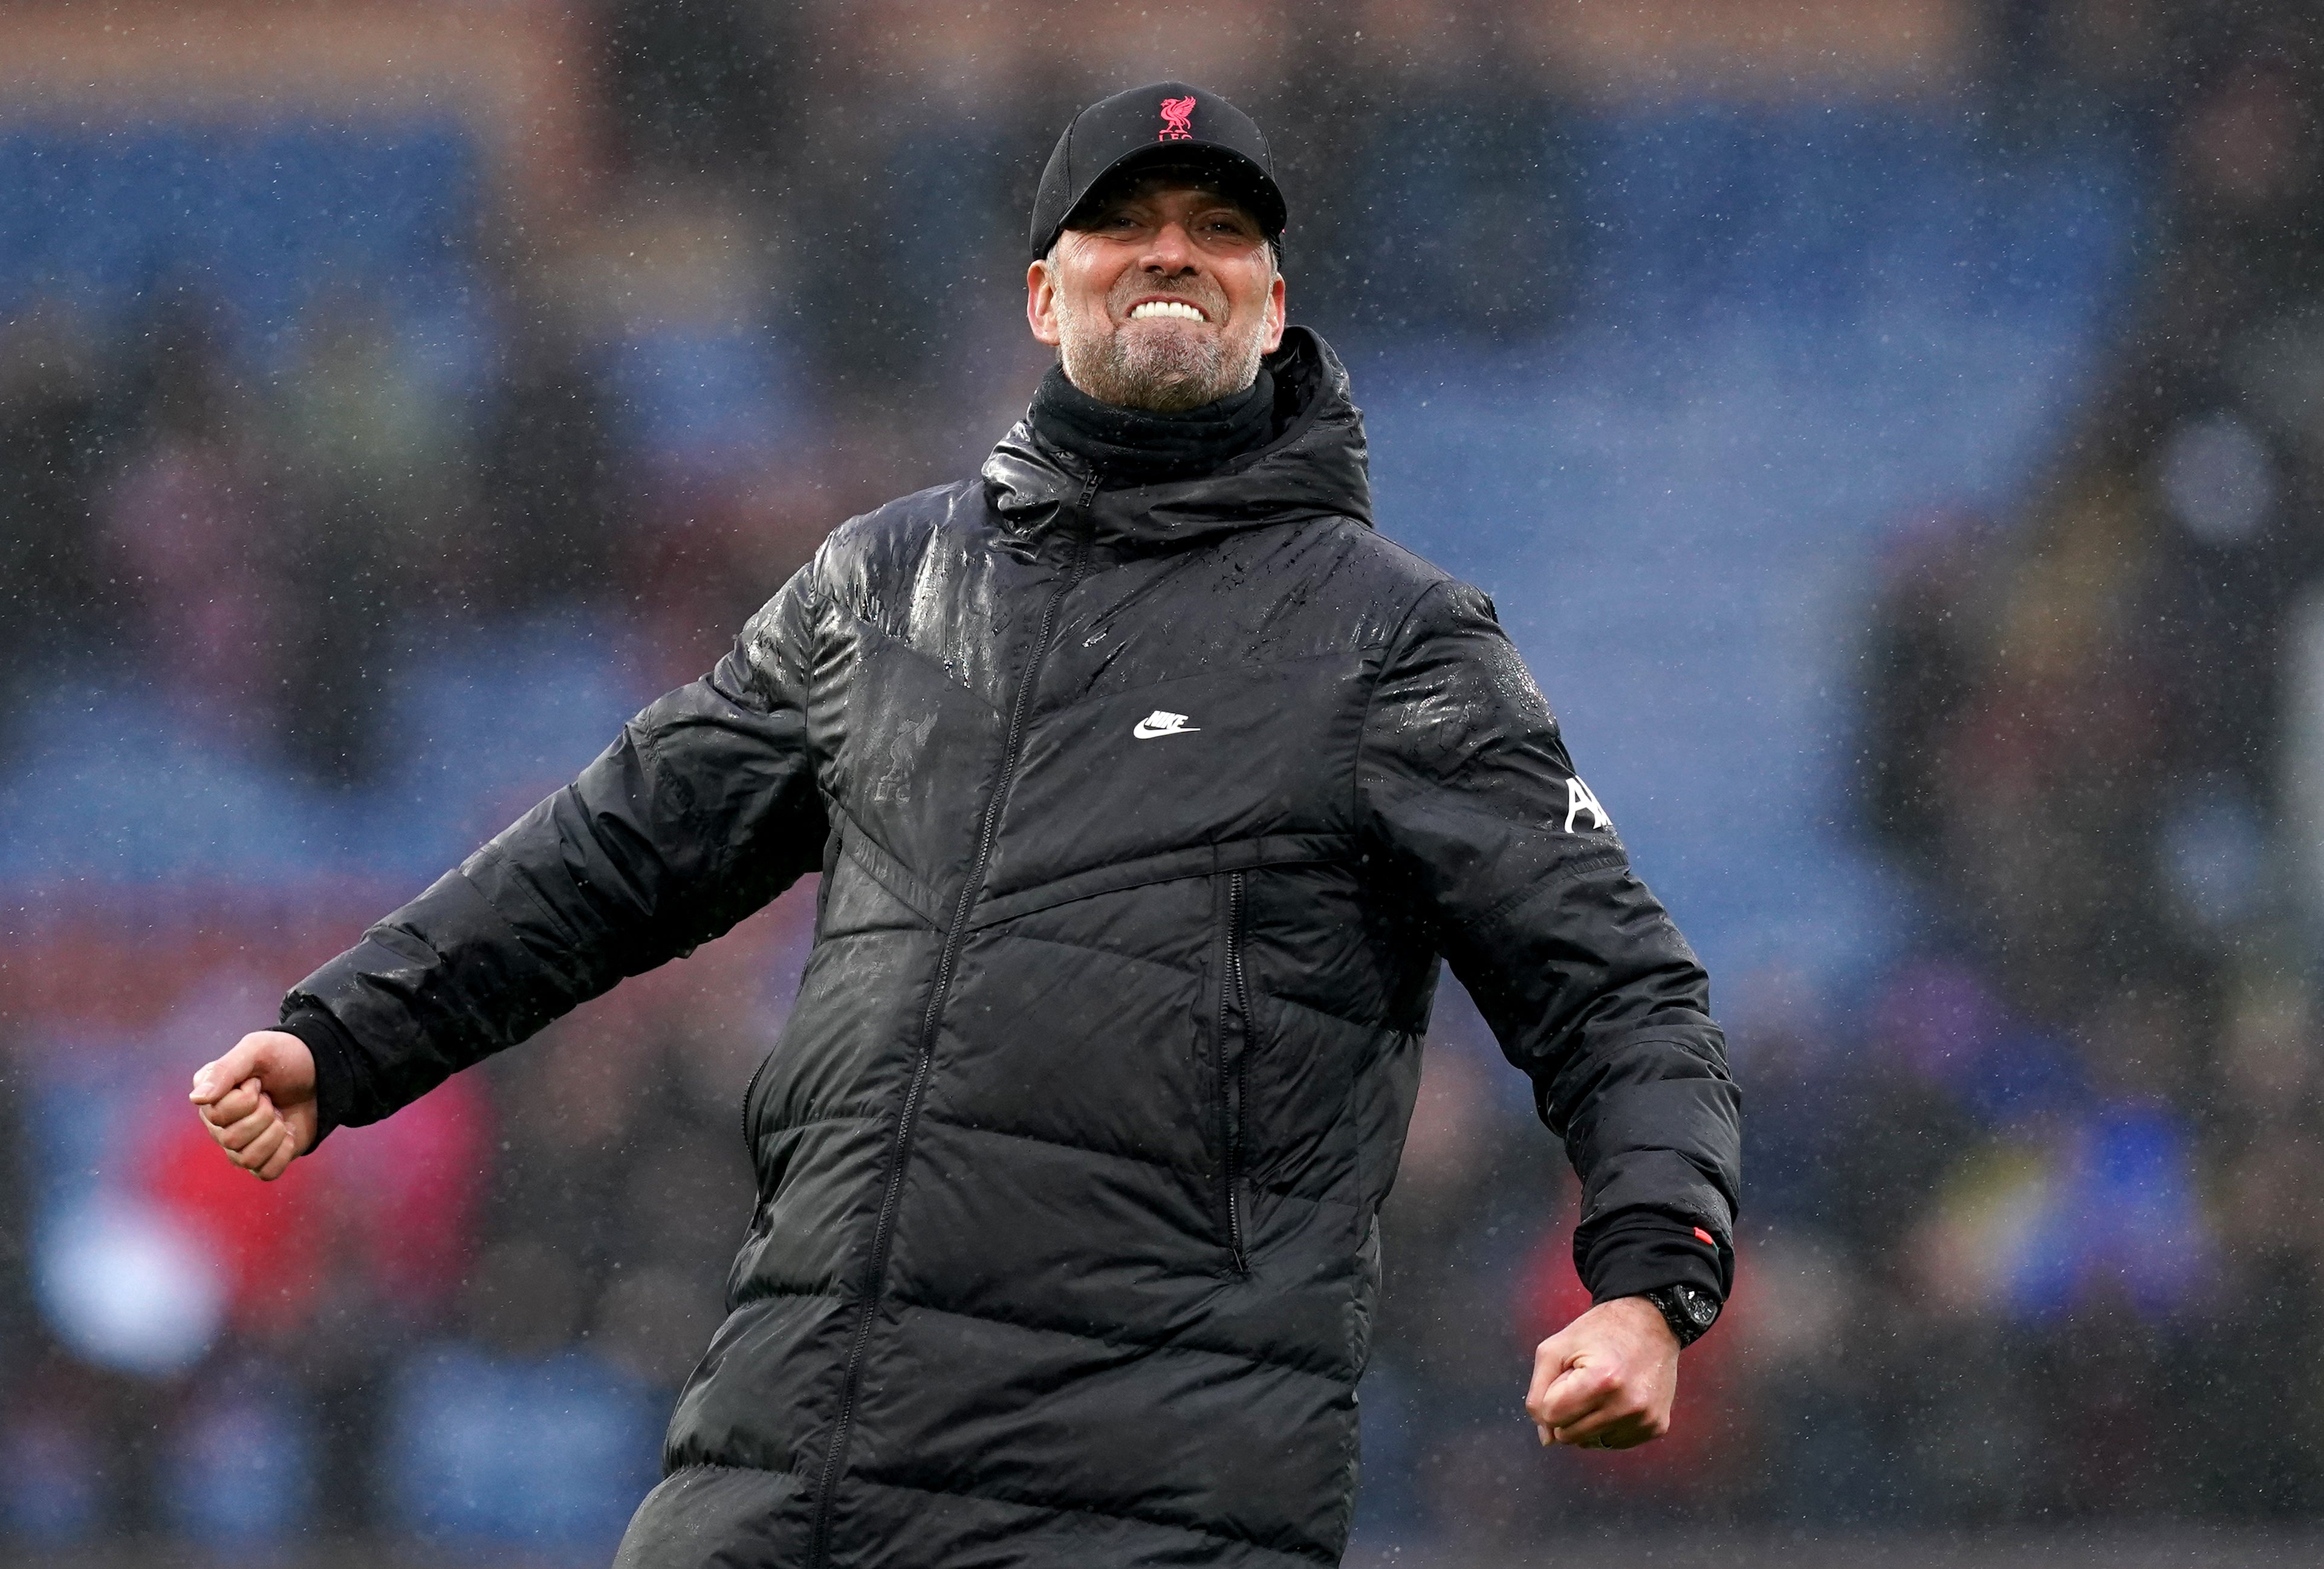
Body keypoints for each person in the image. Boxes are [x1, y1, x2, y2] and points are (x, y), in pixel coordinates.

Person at [188, 82, 1741, 1568]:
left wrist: (1648, 1287)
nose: (1170, 253)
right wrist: (350, 1035)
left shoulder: (1391, 643)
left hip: (1142, 1489)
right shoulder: (878, 587)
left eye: (1217, 228)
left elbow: (1618, 987)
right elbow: (616, 847)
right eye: (1123, 222)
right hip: (794, 1452)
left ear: (1272, 307)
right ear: (1038, 297)